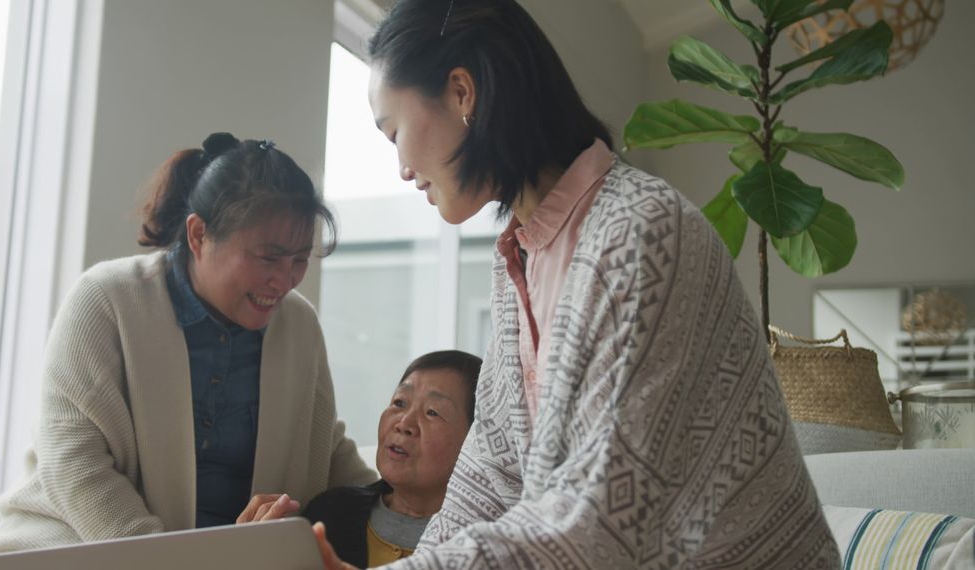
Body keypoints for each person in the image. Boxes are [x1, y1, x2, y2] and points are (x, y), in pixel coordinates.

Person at [313, 0, 842, 568]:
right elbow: (490, 478)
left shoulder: (640, 231)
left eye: (394, 132)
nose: (401, 167)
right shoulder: (519, 258)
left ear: (463, 93)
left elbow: (598, 519)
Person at [0, 133, 376, 556]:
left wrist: (405, 510)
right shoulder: (105, 299)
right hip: (81, 549)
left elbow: (323, 446)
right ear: (199, 234)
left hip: (231, 559)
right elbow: (73, 461)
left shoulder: (299, 324)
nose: (285, 280)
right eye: (268, 257)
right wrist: (170, 560)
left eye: (299, 260)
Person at [239, 350, 481, 568]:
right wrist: (250, 556)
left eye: (432, 412)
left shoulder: (484, 545)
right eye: (399, 403)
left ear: (478, 441)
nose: (404, 422)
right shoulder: (330, 515)